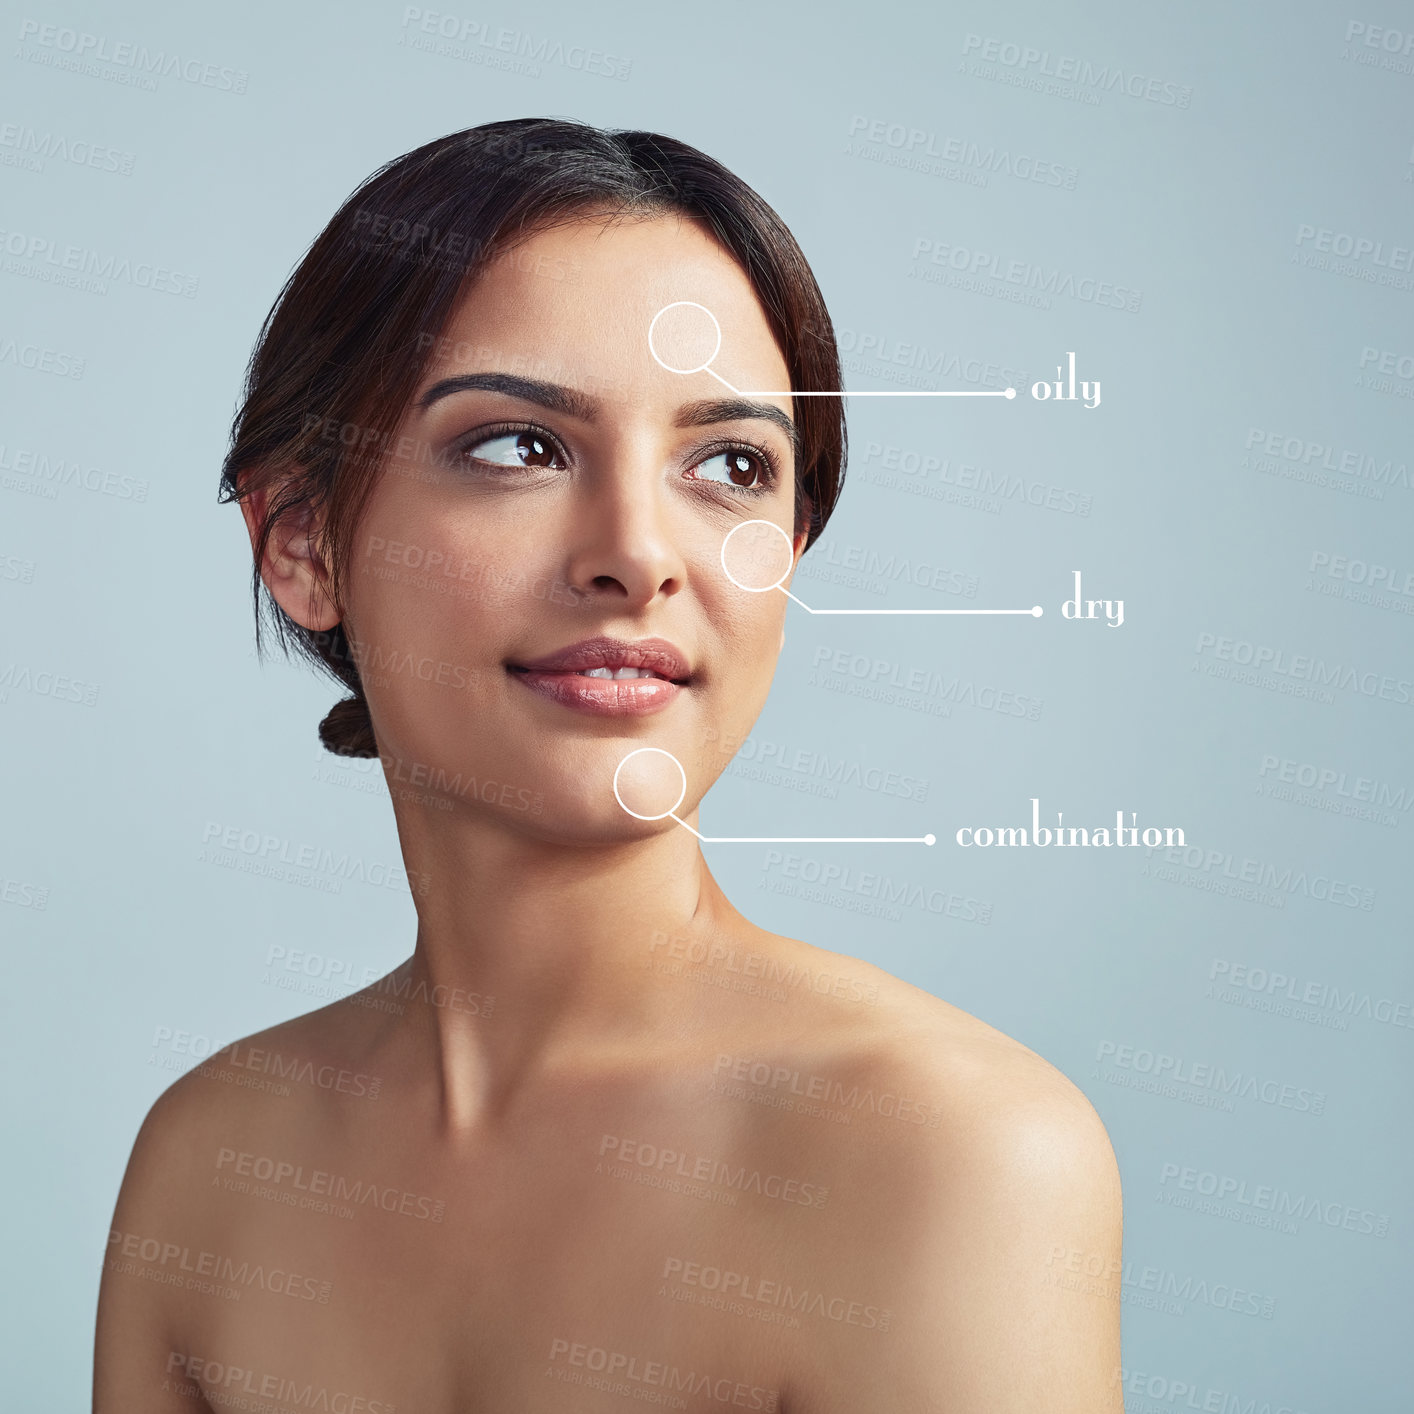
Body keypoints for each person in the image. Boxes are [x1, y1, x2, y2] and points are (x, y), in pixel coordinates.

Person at [94, 118, 1122, 1413]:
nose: (637, 553)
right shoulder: (211, 1164)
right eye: (518, 444)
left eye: (729, 465)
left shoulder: (951, 1154)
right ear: (301, 542)